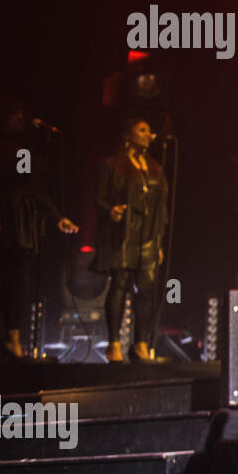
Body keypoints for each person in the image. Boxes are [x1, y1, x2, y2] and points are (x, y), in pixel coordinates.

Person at [0, 97, 78, 361]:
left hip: (21, 221)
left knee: (16, 281)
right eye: (14, 114)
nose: (19, 119)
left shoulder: (26, 149)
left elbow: (34, 190)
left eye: (23, 114)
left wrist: (57, 217)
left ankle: (12, 336)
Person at [95, 118, 168, 363]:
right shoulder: (113, 164)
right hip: (124, 234)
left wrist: (158, 242)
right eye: (142, 130)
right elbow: (99, 199)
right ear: (129, 134)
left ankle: (141, 344)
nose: (148, 135)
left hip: (147, 236)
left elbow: (162, 209)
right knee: (120, 285)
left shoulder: (156, 168)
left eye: (149, 130)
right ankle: (114, 344)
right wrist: (110, 211)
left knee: (147, 290)